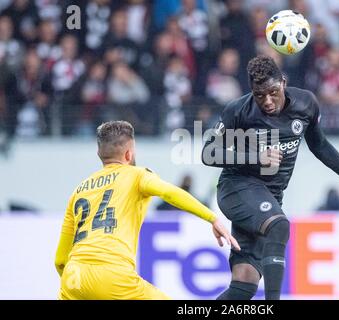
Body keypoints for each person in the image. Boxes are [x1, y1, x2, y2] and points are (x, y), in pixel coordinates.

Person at [201, 55, 339, 300]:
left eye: (272, 92)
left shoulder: (306, 104)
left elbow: (320, 146)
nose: (267, 101)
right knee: (279, 226)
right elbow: (208, 152)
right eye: (259, 95)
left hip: (269, 197)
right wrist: (257, 156)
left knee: (244, 285)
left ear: (283, 83)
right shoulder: (238, 110)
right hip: (237, 188)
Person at [55, 120, 240, 300]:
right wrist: (212, 218)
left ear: (99, 153)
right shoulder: (137, 175)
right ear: (128, 154)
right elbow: (169, 193)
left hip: (72, 279)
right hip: (111, 274)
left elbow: (60, 260)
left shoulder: (79, 191)